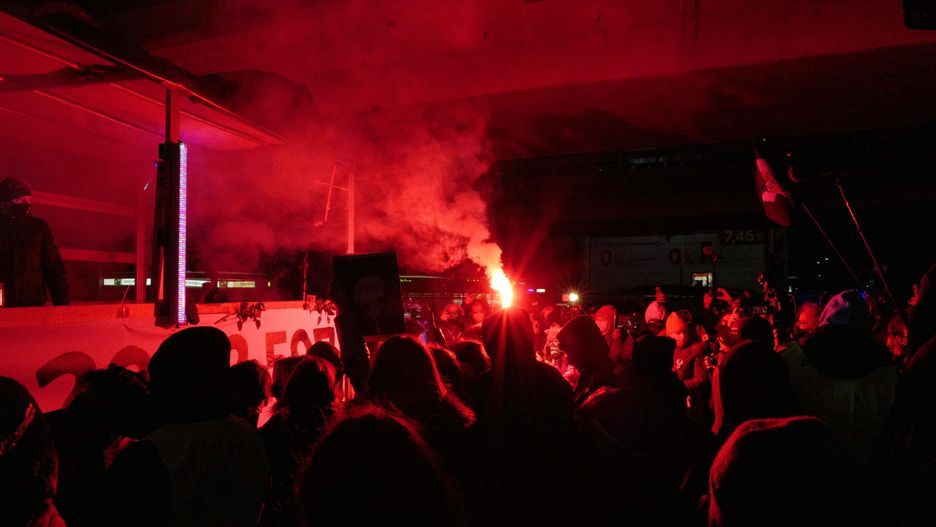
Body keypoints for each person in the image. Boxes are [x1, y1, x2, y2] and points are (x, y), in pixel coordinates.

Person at [0, 178, 68, 307]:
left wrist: (63, 306)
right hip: (3, 311)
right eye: (21, 200)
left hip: (32, 309)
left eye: (29, 201)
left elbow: (54, 269)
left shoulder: (38, 228)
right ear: (5, 202)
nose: (26, 205)